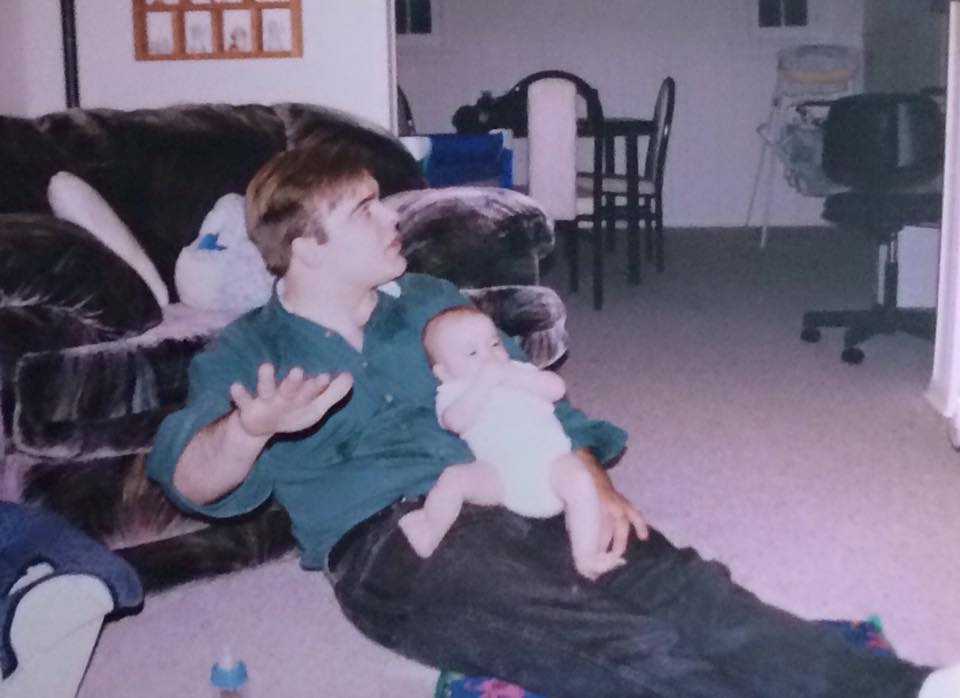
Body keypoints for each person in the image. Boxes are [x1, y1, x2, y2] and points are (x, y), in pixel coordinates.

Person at [147, 141, 958, 698]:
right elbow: (186, 475)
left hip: (526, 486)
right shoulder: (250, 350)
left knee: (683, 584)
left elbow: (543, 401)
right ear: (309, 246)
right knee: (601, 635)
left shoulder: (430, 301)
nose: (393, 220)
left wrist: (593, 485)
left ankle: (908, 689)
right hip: (396, 544)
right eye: (365, 211)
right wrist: (250, 430)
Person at [400, 305, 627, 579]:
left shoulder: (518, 370)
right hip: (501, 479)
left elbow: (556, 388)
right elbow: (455, 422)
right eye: (472, 353)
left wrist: (513, 377)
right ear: (444, 372)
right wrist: (484, 384)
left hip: (552, 466)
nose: (489, 356)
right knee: (454, 479)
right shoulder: (453, 391)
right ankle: (429, 528)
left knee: (580, 480)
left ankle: (585, 556)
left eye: (494, 343)